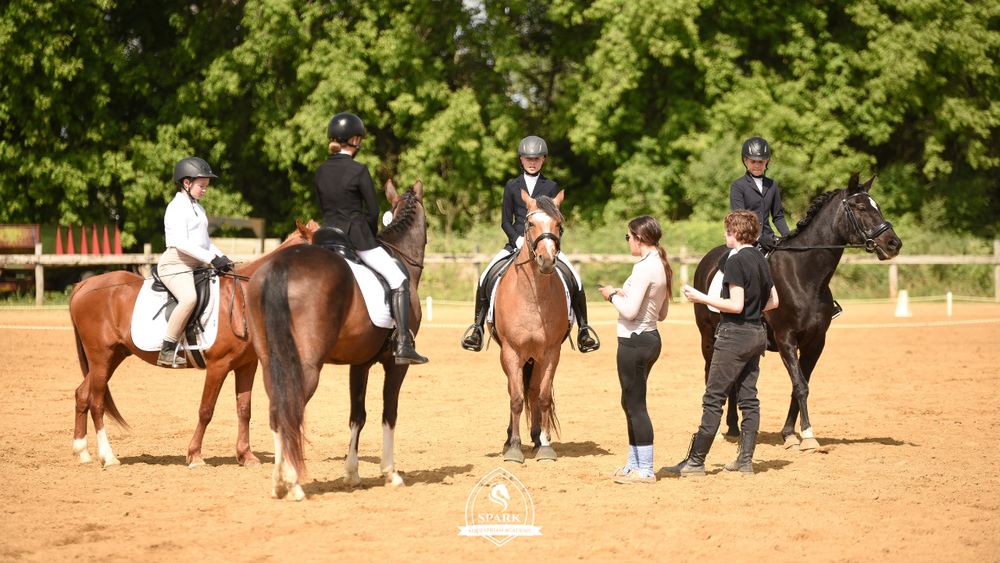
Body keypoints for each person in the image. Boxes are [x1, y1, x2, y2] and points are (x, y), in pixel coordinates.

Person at [663, 210, 779, 476]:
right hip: (756, 333)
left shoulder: (735, 261)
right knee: (749, 399)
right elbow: (774, 301)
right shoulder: (761, 258)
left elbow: (735, 305)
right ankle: (745, 460)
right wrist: (754, 308)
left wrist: (701, 298)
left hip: (734, 335)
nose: (725, 235)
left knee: (713, 398)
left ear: (736, 233)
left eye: (727, 231)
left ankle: (695, 461)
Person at [461, 135, 599, 353]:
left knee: (576, 279)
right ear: (521, 160)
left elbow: (556, 221)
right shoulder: (512, 186)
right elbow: (506, 220)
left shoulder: (551, 186)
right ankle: (477, 328)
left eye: (536, 158)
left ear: (543, 159)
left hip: (544, 243)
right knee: (484, 276)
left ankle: (584, 330)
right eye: (528, 158)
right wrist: (517, 239)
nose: (532, 162)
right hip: (516, 243)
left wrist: (548, 241)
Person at [315, 111, 427, 365]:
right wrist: (368, 235)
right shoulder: (358, 170)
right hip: (356, 239)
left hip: (326, 239)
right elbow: (374, 211)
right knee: (399, 277)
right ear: (355, 140)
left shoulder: (321, 171)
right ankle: (403, 343)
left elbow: (325, 207)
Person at [730, 136, 841, 318]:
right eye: (753, 161)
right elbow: (738, 217)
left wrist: (790, 237)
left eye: (761, 161)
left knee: (802, 262)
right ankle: (738, 308)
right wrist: (756, 237)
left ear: (767, 162)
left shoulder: (772, 185)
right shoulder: (738, 186)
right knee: (737, 264)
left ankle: (822, 304)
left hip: (770, 237)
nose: (757, 164)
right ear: (745, 161)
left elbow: (778, 216)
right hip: (745, 239)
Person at [597, 216, 671, 484]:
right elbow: (661, 312)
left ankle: (646, 469)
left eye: (628, 237)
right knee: (629, 401)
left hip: (634, 341)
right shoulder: (659, 264)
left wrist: (611, 295)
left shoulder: (643, 268)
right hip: (649, 337)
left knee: (636, 404)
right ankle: (634, 463)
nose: (628, 241)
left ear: (639, 239)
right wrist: (625, 294)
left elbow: (629, 312)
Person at [157, 157, 235, 368]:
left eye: (206, 186)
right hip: (176, 264)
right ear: (186, 183)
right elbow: (182, 243)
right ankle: (168, 347)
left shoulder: (198, 209)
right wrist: (211, 259)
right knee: (189, 298)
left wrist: (222, 258)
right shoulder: (176, 207)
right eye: (202, 186)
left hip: (197, 263)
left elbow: (205, 242)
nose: (205, 190)